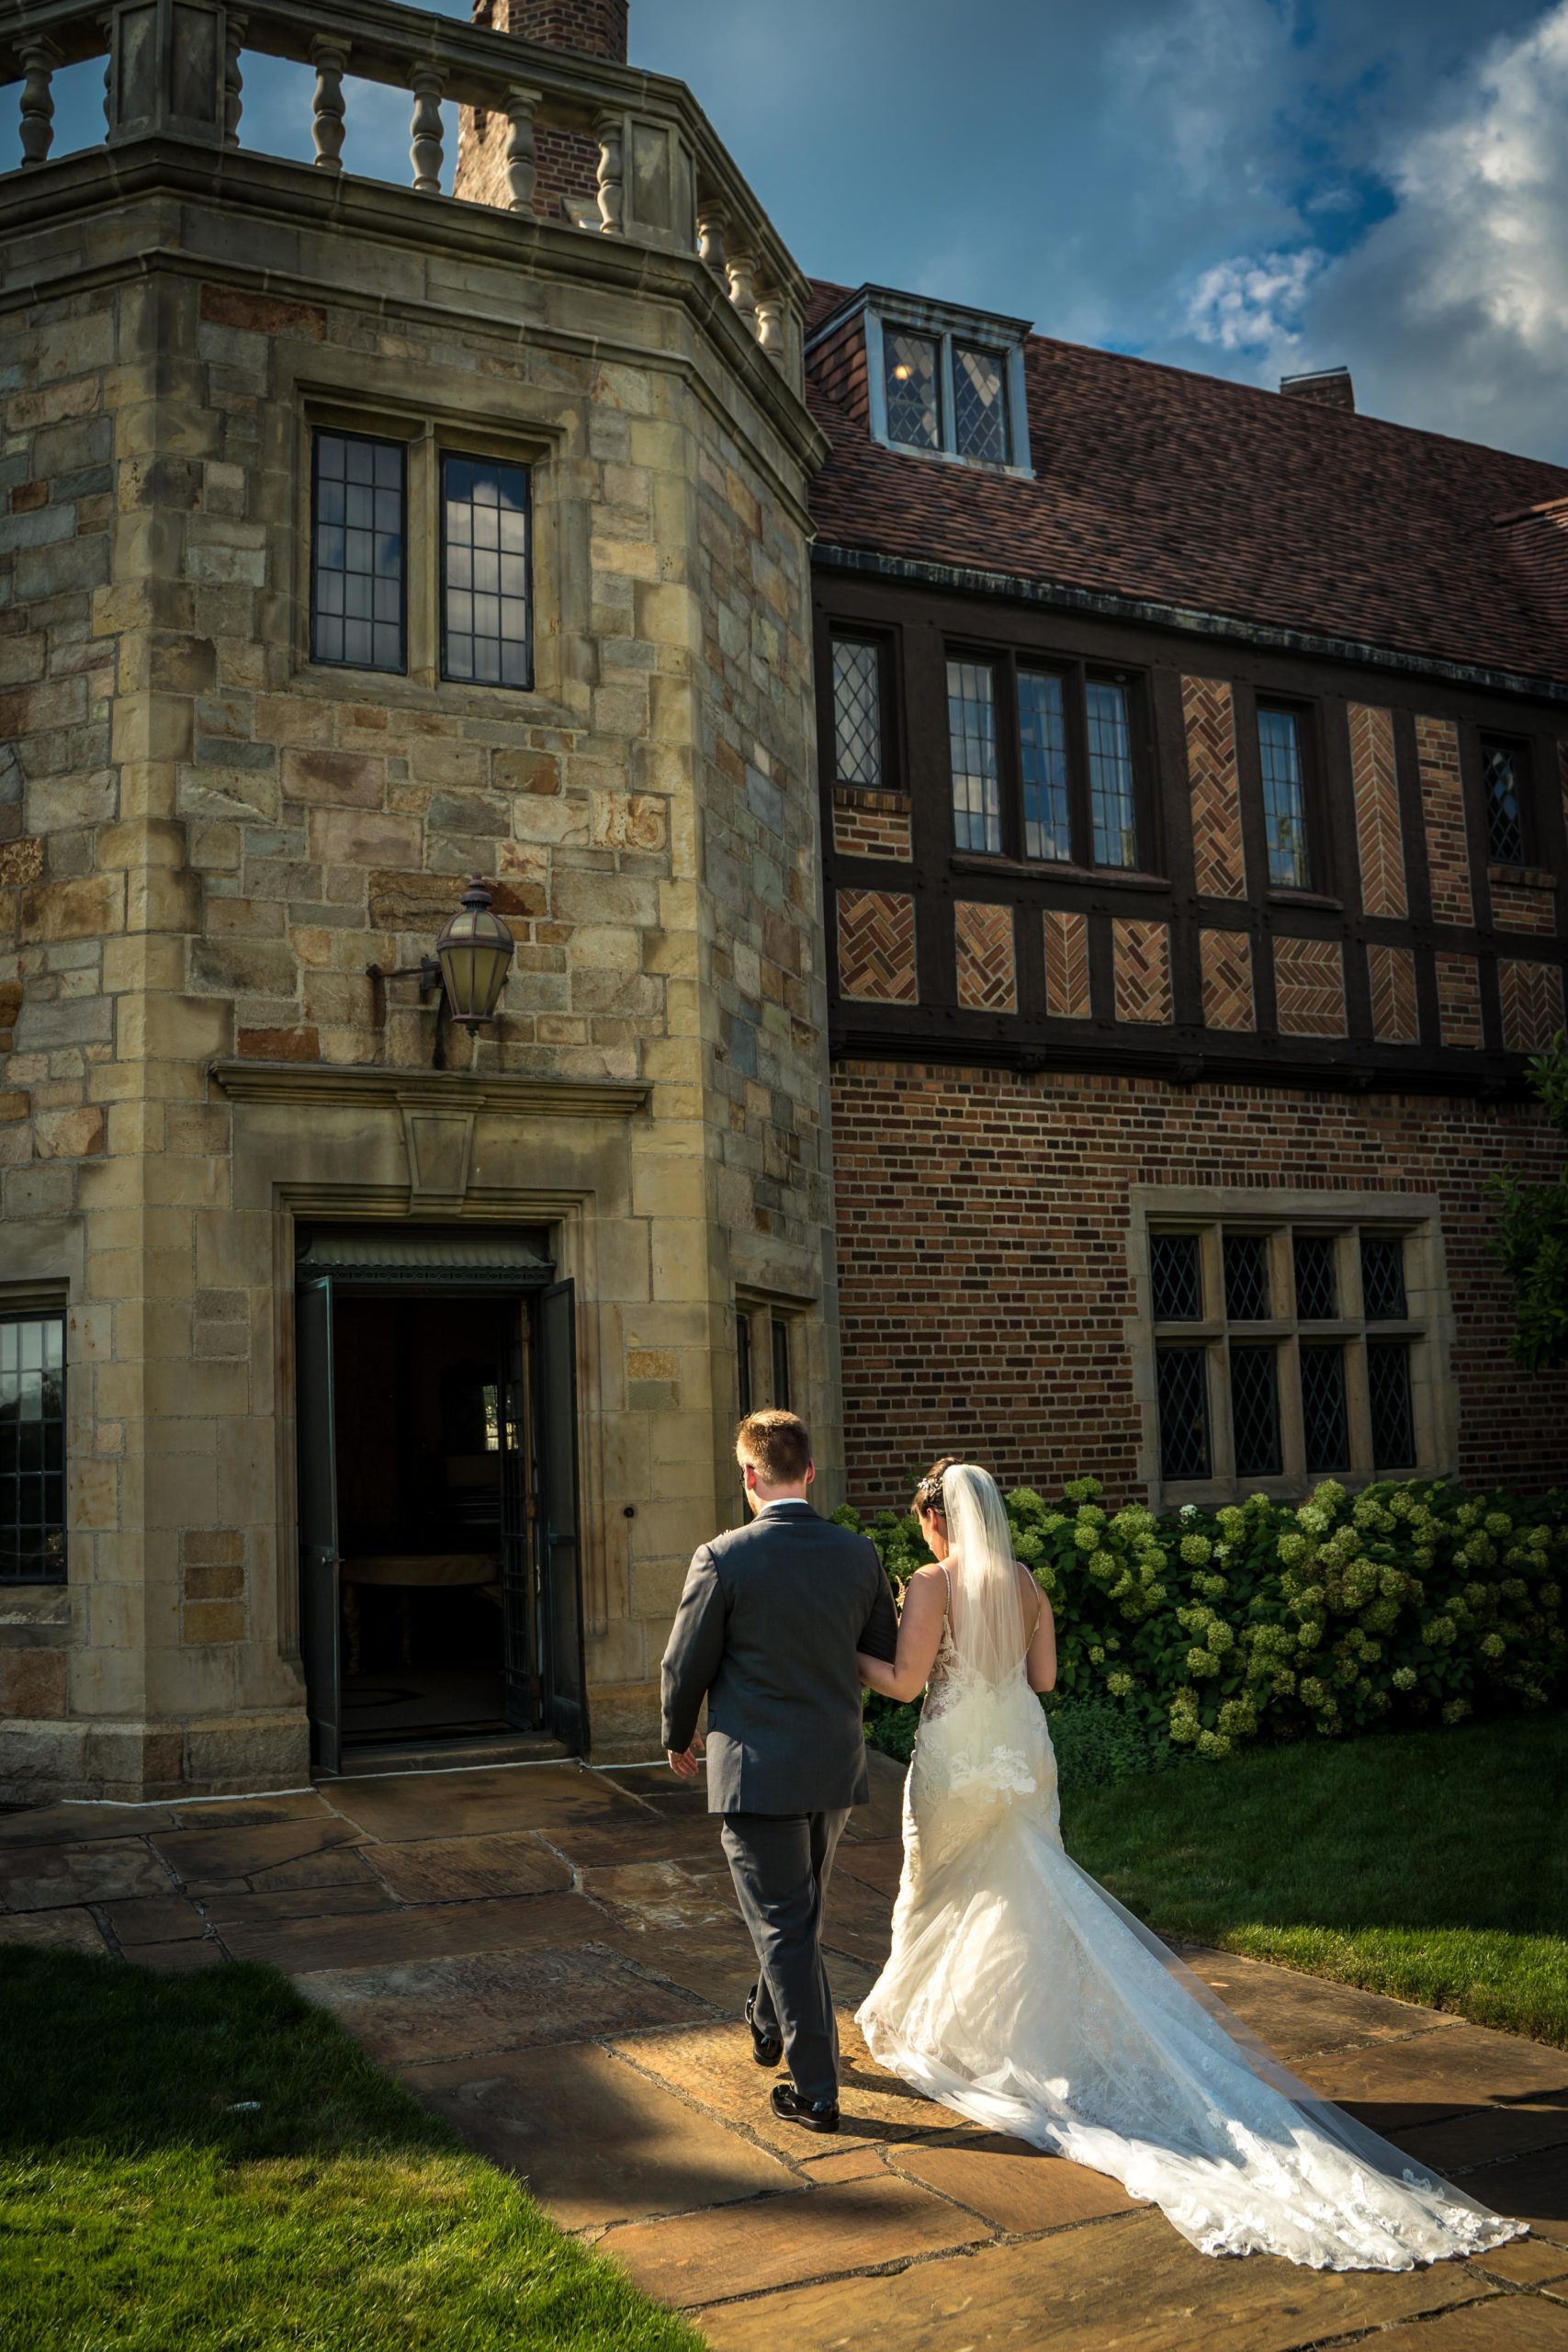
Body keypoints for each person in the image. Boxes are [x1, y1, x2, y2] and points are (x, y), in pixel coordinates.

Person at [855, 1455, 1524, 2270]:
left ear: (936, 1520)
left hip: (958, 1758)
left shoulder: (928, 1583)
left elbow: (902, 1683)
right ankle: (1018, 2028)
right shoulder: (1026, 1582)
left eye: (924, 1520)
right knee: (1027, 1893)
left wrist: (839, 1654)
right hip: (1021, 1750)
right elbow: (1045, 1677)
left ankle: (950, 2024)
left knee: (943, 1891)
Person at [660, 1408, 898, 2135]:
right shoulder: (858, 1554)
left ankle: (817, 2091)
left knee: (787, 1926)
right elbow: (877, 1649)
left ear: (747, 1475)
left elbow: (685, 1661)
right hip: (831, 1760)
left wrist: (678, 1733)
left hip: (756, 1769)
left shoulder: (722, 1557)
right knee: (796, 1919)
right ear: (809, 1472)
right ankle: (767, 2019)